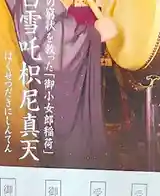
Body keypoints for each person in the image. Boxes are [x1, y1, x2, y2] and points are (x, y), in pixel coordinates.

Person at [6, 0, 117, 168]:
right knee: (71, 156)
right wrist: (95, 33)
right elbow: (50, 51)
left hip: (53, 89)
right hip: (58, 94)